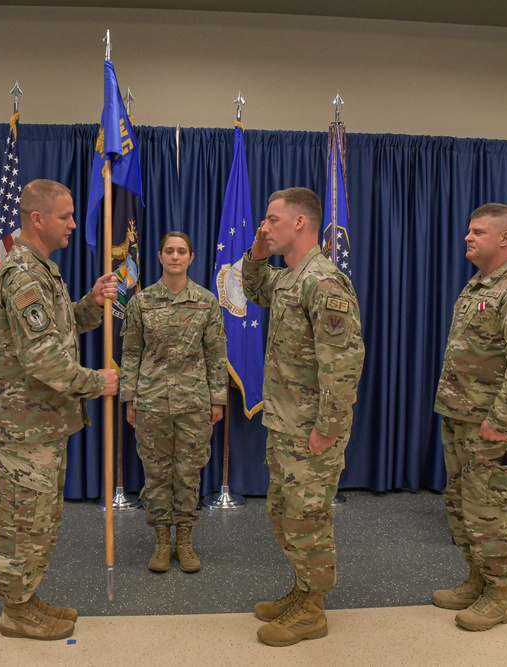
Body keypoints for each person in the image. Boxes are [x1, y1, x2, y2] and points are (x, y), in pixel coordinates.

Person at [0, 179, 119, 641]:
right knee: (23, 517)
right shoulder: (22, 273)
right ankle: (16, 611)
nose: (74, 224)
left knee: (40, 517)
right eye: (66, 216)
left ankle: (28, 597)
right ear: (37, 218)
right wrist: (98, 384)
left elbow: (60, 329)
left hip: (40, 421)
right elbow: (42, 358)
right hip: (23, 424)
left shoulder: (43, 269)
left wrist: (92, 303)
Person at [241, 187, 364, 647]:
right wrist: (256, 254)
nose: (264, 226)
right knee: (284, 511)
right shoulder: (290, 278)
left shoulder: (323, 282)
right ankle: (302, 588)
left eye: (272, 220)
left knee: (308, 517)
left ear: (299, 223)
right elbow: (253, 289)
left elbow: (344, 364)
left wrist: (327, 430)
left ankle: (313, 610)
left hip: (312, 427)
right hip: (285, 422)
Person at [432, 202, 507, 632]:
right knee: (463, 508)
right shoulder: (477, 287)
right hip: (460, 418)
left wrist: (499, 423)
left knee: (493, 512)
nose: (468, 237)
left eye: (478, 231)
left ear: (505, 238)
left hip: (494, 427)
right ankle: (477, 581)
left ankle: (499, 596)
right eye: (469, 230)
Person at [120, 231, 228, 574]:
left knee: (188, 473)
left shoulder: (207, 302)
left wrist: (217, 399)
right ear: (160, 256)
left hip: (194, 403)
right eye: (170, 250)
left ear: (191, 258)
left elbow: (215, 354)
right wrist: (129, 398)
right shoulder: (142, 302)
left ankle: (185, 538)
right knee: (156, 475)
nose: (176, 256)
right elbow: (131, 354)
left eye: (182, 251)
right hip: (151, 401)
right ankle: (162, 541)